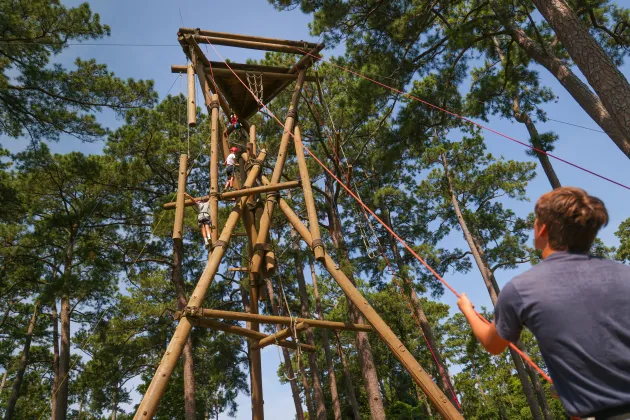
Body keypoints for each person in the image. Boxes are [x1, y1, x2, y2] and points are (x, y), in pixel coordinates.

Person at [457, 187, 630, 420]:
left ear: (543, 229)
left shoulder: (522, 288)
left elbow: (493, 344)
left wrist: (467, 310)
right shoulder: (624, 274)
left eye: (535, 220)